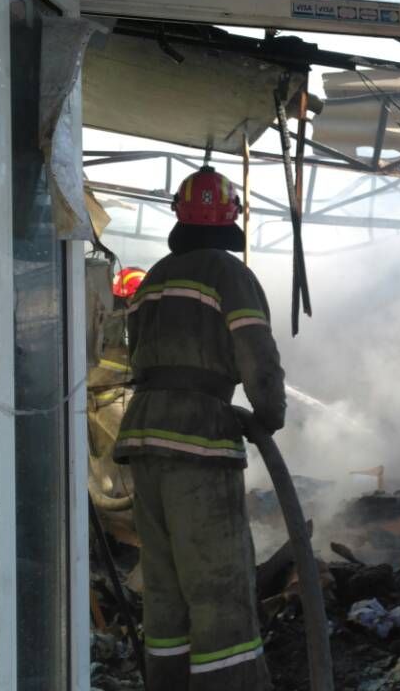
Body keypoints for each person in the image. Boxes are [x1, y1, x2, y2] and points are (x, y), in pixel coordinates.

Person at [114, 166, 285, 690]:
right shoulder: (229, 273)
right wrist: (267, 416)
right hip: (200, 443)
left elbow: (134, 356)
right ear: (229, 221)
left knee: (165, 588)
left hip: (145, 439)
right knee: (219, 584)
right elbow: (256, 354)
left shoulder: (155, 279)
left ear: (180, 219)